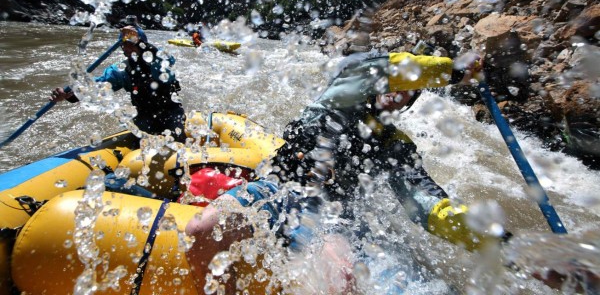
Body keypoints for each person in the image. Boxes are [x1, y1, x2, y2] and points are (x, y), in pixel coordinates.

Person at [185, 46, 492, 292]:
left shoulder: (395, 145)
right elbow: (383, 68)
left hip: (334, 216)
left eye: (408, 93)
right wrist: (456, 70)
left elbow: (427, 206)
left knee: (341, 277)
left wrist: (495, 239)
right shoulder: (337, 98)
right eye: (399, 85)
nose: (399, 95)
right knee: (201, 229)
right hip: (278, 190)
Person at [51, 24, 187, 143]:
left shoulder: (160, 60)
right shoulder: (121, 70)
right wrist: (69, 95)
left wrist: (138, 42)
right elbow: (97, 87)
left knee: (176, 139)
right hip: (144, 117)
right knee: (140, 146)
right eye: (124, 44)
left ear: (142, 44)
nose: (126, 48)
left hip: (171, 114)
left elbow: (166, 61)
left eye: (131, 44)